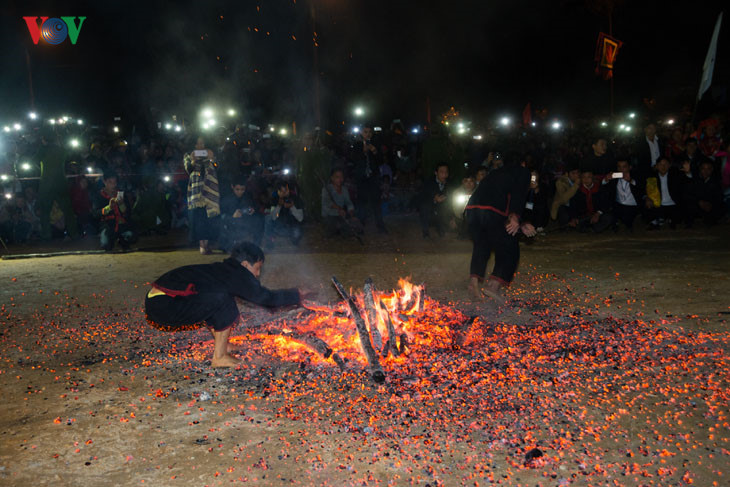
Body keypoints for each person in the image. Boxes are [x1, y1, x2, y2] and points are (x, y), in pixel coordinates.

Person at [144, 242, 304, 367]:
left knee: (216, 296)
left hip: (156, 301)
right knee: (223, 299)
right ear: (245, 265)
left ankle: (223, 346)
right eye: (257, 268)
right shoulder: (237, 275)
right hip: (165, 305)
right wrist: (297, 295)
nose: (258, 274)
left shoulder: (225, 270)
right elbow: (266, 298)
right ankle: (219, 357)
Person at [465, 152, 534, 303]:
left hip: (472, 210)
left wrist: (520, 221)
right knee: (510, 245)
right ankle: (494, 285)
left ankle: (474, 283)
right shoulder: (522, 171)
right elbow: (518, 195)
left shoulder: (495, 173)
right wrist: (515, 218)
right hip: (492, 211)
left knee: (482, 244)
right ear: (523, 163)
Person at [36, 129, 80, 240]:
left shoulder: (42, 150)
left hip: (47, 185)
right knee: (68, 211)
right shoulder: (61, 150)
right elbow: (68, 155)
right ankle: (74, 234)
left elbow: (34, 160)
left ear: (44, 139)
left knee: (45, 212)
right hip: (61, 183)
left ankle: (47, 235)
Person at [185, 137, 220, 254]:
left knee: (209, 218)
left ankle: (207, 245)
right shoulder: (189, 155)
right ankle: (202, 245)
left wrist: (211, 159)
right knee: (199, 219)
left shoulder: (210, 154)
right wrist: (193, 160)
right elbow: (189, 169)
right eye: (198, 143)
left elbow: (216, 166)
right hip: (196, 191)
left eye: (203, 143)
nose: (201, 145)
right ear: (194, 145)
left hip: (209, 190)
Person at [351, 125, 387, 233]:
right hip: (361, 177)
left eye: (369, 132)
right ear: (362, 133)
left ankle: (380, 225)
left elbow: (381, 161)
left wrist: (374, 151)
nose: (367, 134)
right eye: (365, 132)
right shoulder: (357, 145)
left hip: (373, 177)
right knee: (361, 202)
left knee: (376, 201)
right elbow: (354, 159)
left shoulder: (376, 145)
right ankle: (360, 226)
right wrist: (363, 151)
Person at [92, 170, 137, 251]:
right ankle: (112, 239)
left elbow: (128, 213)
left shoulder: (120, 194)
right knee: (106, 244)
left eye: (115, 182)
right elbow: (95, 214)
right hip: (108, 225)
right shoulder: (98, 195)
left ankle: (121, 240)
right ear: (104, 182)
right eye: (110, 182)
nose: (113, 185)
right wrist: (108, 208)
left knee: (132, 237)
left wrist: (122, 205)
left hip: (122, 225)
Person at [643, 156, 691, 229]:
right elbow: (643, 188)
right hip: (659, 205)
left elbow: (687, 183)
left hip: (673, 204)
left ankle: (668, 220)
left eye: (665, 164)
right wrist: (646, 197)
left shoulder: (675, 175)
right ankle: (660, 220)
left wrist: (688, 172)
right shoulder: (652, 176)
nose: (663, 167)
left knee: (680, 218)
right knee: (647, 207)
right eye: (660, 164)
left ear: (669, 165)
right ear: (657, 166)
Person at [219, 175, 264, 249]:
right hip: (231, 225)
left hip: (245, 222)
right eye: (237, 189)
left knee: (259, 219)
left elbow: (256, 208)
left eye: (242, 189)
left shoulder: (248, 196)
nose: (240, 192)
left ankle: (256, 244)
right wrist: (232, 217)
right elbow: (221, 217)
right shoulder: (226, 199)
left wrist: (252, 211)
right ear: (232, 187)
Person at [601, 158, 642, 232]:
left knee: (628, 222)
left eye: (624, 166)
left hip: (632, 205)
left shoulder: (636, 175)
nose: (621, 169)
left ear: (630, 167)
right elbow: (604, 188)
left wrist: (631, 180)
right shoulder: (614, 177)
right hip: (618, 205)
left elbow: (641, 187)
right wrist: (606, 179)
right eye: (619, 167)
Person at [321, 167, 362, 238]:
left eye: (341, 177)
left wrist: (352, 214)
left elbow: (349, 203)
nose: (340, 179)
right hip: (329, 215)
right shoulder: (327, 189)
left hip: (341, 215)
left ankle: (341, 230)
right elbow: (327, 202)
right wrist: (338, 208)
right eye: (337, 177)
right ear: (332, 178)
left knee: (357, 225)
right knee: (333, 227)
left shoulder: (344, 189)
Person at [418, 162, 454, 238]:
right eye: (441, 172)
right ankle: (425, 231)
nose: (444, 174)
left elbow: (451, 197)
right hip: (430, 206)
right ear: (436, 173)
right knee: (424, 206)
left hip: (442, 207)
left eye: (446, 172)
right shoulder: (429, 182)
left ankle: (441, 228)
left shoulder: (450, 183)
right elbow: (423, 195)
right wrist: (434, 198)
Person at [685, 160, 725, 227]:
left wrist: (710, 203)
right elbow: (688, 194)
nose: (706, 171)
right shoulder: (695, 180)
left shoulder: (716, 181)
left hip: (710, 206)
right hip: (697, 205)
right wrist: (699, 202)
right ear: (700, 169)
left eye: (708, 169)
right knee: (688, 204)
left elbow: (719, 196)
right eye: (703, 168)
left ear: (712, 170)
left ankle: (710, 220)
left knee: (722, 206)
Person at [265, 181, 304, 246]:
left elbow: (300, 218)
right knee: (268, 218)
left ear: (288, 189)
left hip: (292, 226)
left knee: (296, 236)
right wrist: (279, 206)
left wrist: (292, 207)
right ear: (278, 192)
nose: (285, 193)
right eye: (282, 191)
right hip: (278, 226)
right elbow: (273, 217)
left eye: (286, 190)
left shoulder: (295, 198)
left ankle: (295, 241)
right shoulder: (275, 199)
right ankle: (270, 243)